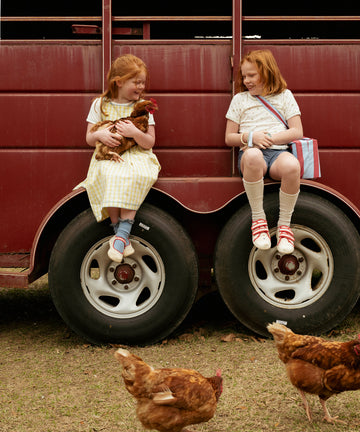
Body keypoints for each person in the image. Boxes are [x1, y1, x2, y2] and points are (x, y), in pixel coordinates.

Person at [76, 54, 161, 262]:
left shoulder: (142, 107)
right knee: (110, 174)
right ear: (119, 82)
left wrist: (134, 133)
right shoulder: (100, 104)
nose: (141, 87)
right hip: (109, 155)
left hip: (137, 155)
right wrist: (100, 135)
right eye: (136, 82)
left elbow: (150, 142)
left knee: (136, 174)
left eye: (143, 82)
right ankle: (120, 234)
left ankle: (121, 234)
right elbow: (89, 137)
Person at [225, 49, 303, 254]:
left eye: (252, 75)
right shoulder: (240, 100)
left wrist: (269, 139)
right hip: (251, 155)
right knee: (252, 155)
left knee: (292, 166)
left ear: (267, 72)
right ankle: (258, 220)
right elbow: (229, 137)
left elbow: (297, 130)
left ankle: (285, 226)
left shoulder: (285, 96)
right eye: (244, 76)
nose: (246, 80)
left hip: (278, 153)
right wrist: (252, 138)